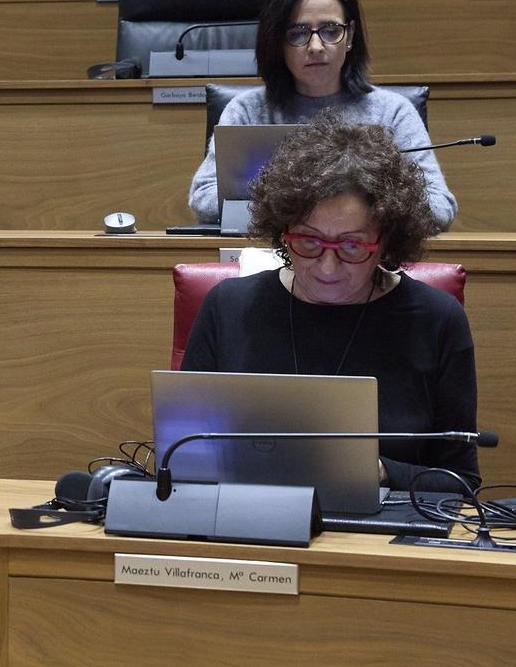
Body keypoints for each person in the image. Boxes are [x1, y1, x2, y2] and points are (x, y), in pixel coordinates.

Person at [183, 112, 481, 488]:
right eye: (308, 241)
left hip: (380, 531)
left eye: (352, 245)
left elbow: (461, 480)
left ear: (386, 239)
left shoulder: (436, 320)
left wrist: (382, 472)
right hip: (248, 520)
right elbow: (182, 454)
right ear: (283, 231)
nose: (327, 266)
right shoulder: (229, 307)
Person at [188, 0, 456, 226]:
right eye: (298, 33)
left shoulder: (392, 112)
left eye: (330, 31)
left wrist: (322, 208)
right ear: (278, 42)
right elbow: (204, 198)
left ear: (350, 35)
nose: (316, 46)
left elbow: (439, 207)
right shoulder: (247, 110)